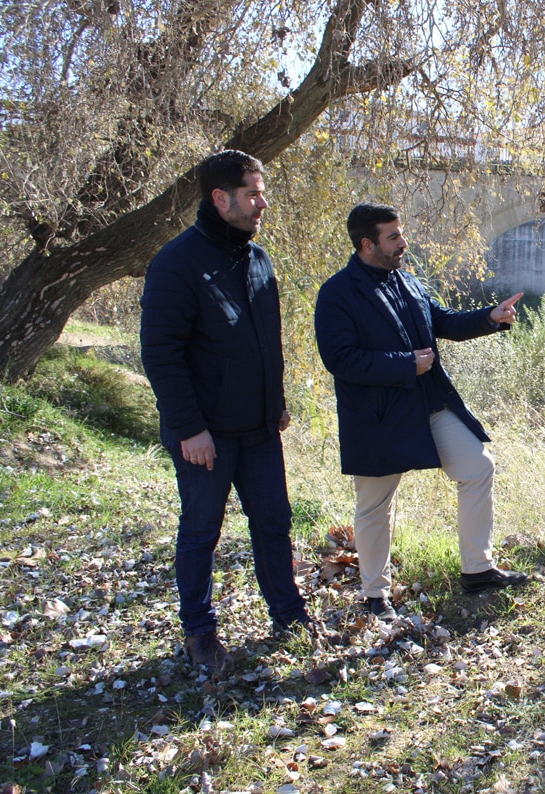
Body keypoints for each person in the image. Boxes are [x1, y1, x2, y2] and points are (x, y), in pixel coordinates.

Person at [140, 149, 311, 673]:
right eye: (253, 194)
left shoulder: (258, 259)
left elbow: (266, 341)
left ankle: (288, 615)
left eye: (262, 191)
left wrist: (275, 403)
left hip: (258, 429)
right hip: (206, 436)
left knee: (274, 523)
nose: (264, 203)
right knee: (200, 532)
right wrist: (190, 428)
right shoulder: (177, 262)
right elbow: (161, 354)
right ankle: (201, 633)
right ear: (221, 199)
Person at [314, 202, 528, 621]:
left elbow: (443, 322)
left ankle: (478, 571)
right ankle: (375, 596)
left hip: (429, 402)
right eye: (393, 236)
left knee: (478, 466)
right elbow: (339, 359)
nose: (403, 242)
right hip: (376, 415)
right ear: (366, 244)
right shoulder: (337, 293)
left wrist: (491, 317)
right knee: (376, 505)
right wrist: (404, 364)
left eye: (401, 233)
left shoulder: (409, 282)